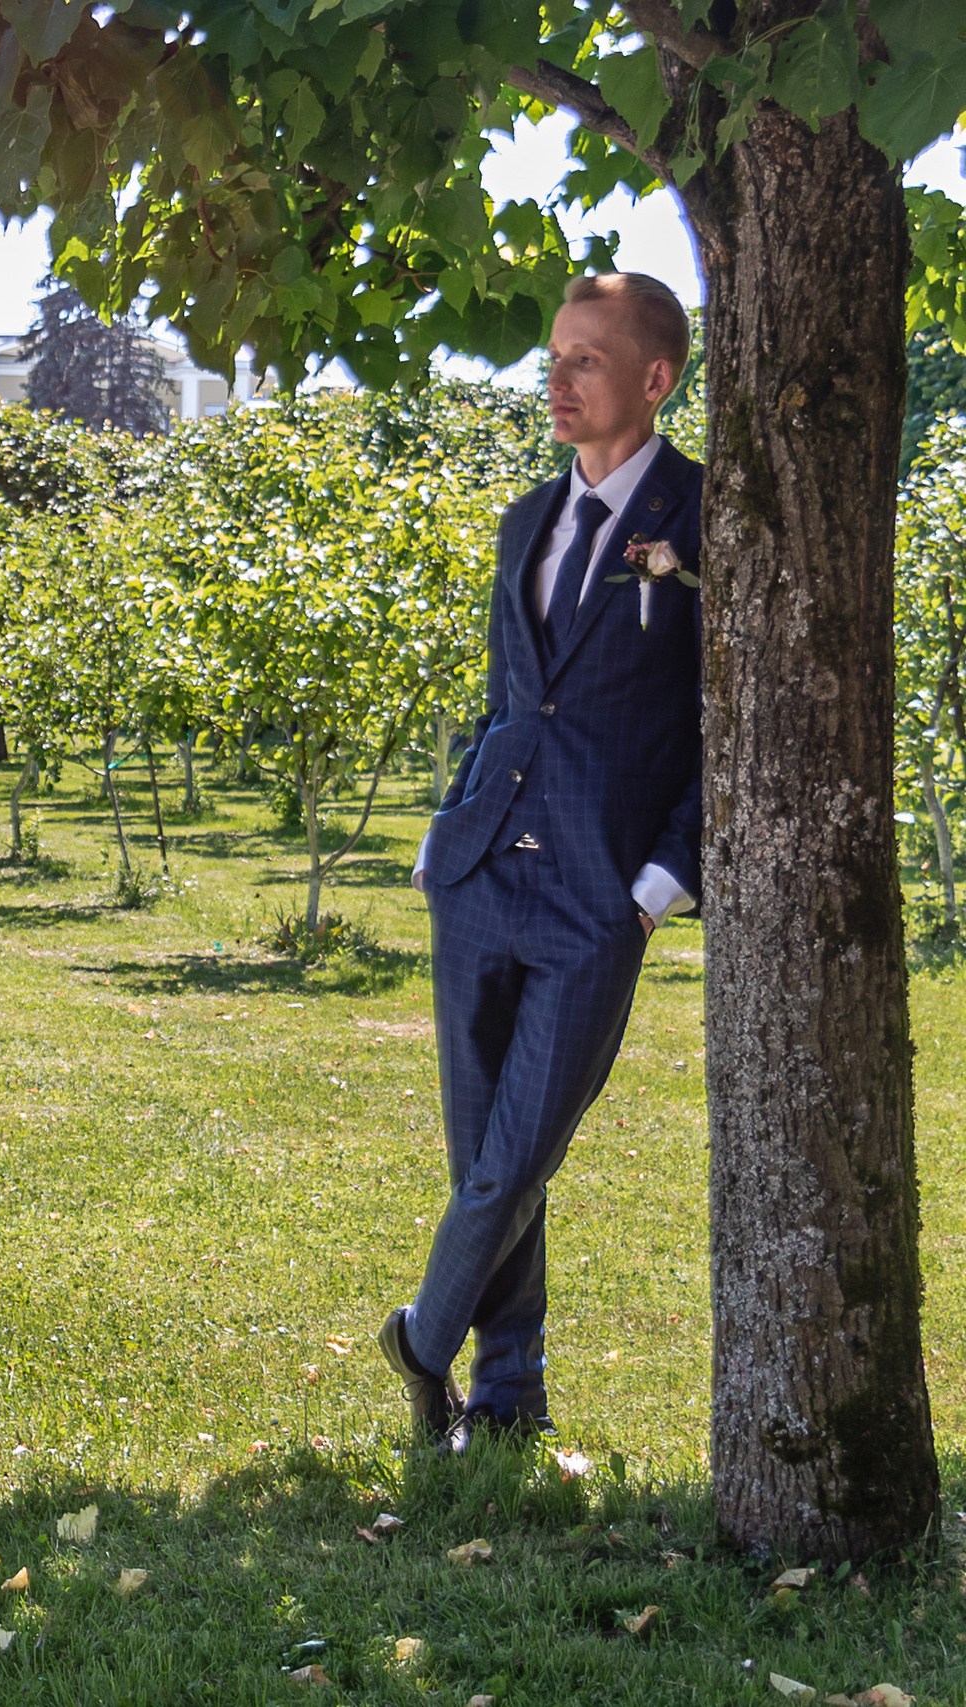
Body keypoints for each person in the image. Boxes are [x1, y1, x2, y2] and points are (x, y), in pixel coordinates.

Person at [382, 273, 703, 1446]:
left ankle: (420, 1340)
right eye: (552, 358)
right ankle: (508, 1399)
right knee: (486, 1158)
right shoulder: (527, 518)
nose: (555, 382)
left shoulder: (704, 520)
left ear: (654, 379)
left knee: (514, 1162)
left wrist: (660, 883)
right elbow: (506, 700)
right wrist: (443, 822)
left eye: (585, 361)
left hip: (596, 900)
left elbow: (732, 728)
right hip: (475, 881)